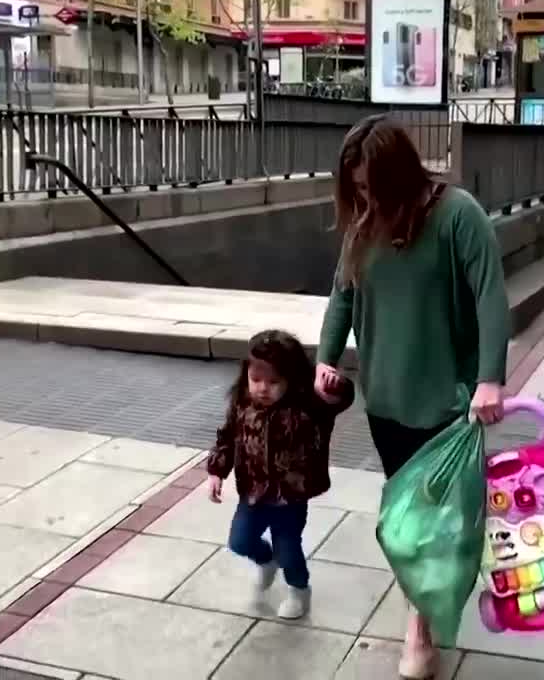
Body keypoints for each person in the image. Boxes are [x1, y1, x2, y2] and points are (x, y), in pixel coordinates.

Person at [314, 115, 511, 679]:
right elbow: (342, 295)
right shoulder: (366, 226)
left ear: (400, 172)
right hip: (387, 399)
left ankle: (419, 631)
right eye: (356, 190)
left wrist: (490, 377)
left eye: (371, 186)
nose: (364, 198)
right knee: (407, 517)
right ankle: (429, 606)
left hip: (448, 402)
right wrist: (325, 358)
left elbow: (491, 297)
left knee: (424, 521)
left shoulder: (458, 216)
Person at [207, 329, 354, 620]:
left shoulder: (307, 408)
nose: (263, 388)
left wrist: (334, 389)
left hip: (291, 496)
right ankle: (265, 560)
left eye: (274, 382)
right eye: (256, 380)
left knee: (289, 548)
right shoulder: (242, 405)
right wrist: (216, 471)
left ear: (292, 380)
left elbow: (339, 400)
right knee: (240, 541)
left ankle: (299, 589)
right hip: (253, 492)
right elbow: (226, 438)